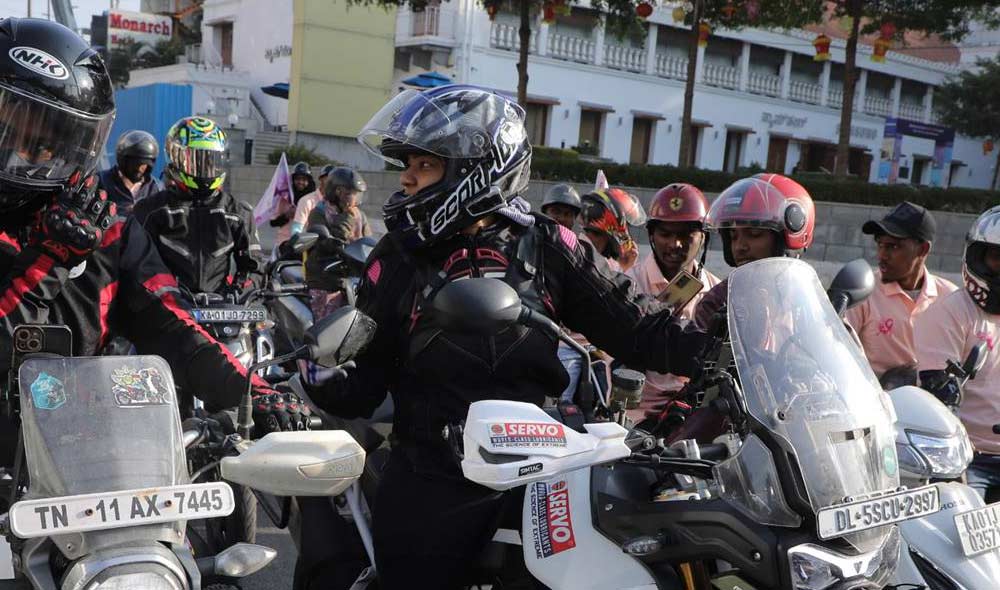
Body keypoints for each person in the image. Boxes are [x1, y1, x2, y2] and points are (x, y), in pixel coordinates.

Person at [307, 84, 705, 589]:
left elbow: (640, 328)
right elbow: (364, 382)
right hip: (434, 472)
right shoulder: (399, 255)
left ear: (478, 169)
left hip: (543, 469)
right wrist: (320, 371)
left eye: (425, 164)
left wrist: (725, 347)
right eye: (407, 163)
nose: (406, 178)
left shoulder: (546, 244)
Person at [0, 18, 300, 468]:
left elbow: (173, 323)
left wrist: (253, 394)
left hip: (81, 463)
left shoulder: (110, 227)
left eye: (44, 145)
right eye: (8, 132)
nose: (20, 155)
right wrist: (50, 257)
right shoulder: (90, 228)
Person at [914, 205, 1000, 499]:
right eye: (998, 257)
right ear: (979, 258)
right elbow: (938, 392)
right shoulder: (950, 312)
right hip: (967, 456)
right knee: (962, 529)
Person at [133, 116, 262, 297]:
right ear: (175, 159)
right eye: (196, 160)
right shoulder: (151, 210)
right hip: (165, 308)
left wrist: (237, 291)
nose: (205, 167)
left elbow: (254, 268)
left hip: (222, 309)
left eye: (212, 160)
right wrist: (159, 293)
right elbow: (135, 264)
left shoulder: (238, 213)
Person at [626, 183, 720, 418]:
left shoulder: (716, 291)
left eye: (685, 235)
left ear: (703, 237)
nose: (674, 244)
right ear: (651, 235)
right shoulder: (628, 284)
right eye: (665, 234)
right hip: (635, 414)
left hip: (695, 414)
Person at [845, 201, 956, 378]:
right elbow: (838, 351)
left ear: (923, 249)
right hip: (873, 401)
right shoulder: (862, 291)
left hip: (930, 403)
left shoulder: (950, 299)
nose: (881, 255)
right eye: (880, 245)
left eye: (893, 246)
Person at [694, 173, 816, 329]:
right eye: (733, 235)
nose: (739, 246)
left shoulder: (813, 302)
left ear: (786, 238)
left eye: (754, 234)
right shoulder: (718, 302)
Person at [305, 166, 372, 320]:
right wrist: (348, 218)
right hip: (326, 278)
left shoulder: (360, 216)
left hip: (354, 277)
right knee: (326, 326)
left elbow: (367, 243)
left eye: (357, 195)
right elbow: (331, 241)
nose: (354, 200)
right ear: (338, 192)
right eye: (351, 194)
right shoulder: (319, 213)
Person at [97, 129, 163, 216]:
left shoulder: (157, 188)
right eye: (136, 164)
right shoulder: (101, 181)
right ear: (124, 161)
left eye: (144, 165)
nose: (139, 169)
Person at [579, 187, 645, 273]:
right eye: (627, 225)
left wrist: (624, 267)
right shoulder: (585, 262)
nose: (628, 233)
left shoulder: (593, 257)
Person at [271, 161, 315, 244]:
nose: (300, 182)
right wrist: (286, 216)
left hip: (308, 241)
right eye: (298, 179)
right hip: (285, 242)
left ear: (309, 181)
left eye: (304, 179)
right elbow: (273, 223)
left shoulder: (314, 199)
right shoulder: (284, 198)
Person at [290, 164, 334, 237]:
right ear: (321, 179)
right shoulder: (306, 201)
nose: (332, 182)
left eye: (334, 179)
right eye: (328, 178)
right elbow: (297, 230)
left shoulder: (340, 203)